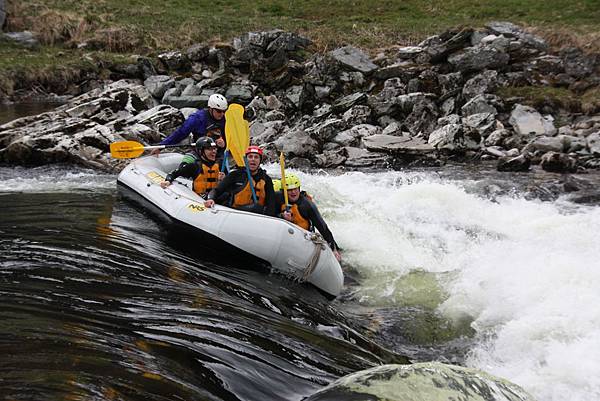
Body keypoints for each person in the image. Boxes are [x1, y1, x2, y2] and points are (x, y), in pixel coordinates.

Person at [276, 174, 342, 262]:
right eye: (290, 190)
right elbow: (269, 214)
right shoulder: (278, 198)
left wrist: (334, 248)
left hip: (304, 237)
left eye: (295, 189)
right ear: (284, 191)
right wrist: (282, 216)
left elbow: (322, 227)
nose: (293, 192)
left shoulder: (307, 205)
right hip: (285, 236)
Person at [204, 146, 276, 216]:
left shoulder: (266, 179)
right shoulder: (235, 174)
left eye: (256, 157)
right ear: (245, 160)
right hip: (235, 212)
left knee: (257, 208)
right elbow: (216, 190)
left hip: (256, 216)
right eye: (250, 157)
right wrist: (211, 199)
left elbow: (271, 203)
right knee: (255, 208)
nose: (253, 159)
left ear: (260, 161)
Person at [151, 93, 228, 156]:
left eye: (224, 111)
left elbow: (231, 137)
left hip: (219, 154)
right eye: (218, 111)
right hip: (201, 154)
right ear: (210, 108)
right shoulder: (197, 118)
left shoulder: (225, 119)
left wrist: (224, 143)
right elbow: (180, 133)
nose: (222, 114)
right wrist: (160, 147)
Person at [159, 137, 224, 198]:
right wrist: (168, 181)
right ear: (201, 151)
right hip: (199, 200)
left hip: (215, 199)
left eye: (214, 148)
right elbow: (174, 173)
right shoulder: (195, 166)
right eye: (209, 149)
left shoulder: (219, 164)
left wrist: (223, 178)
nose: (214, 151)